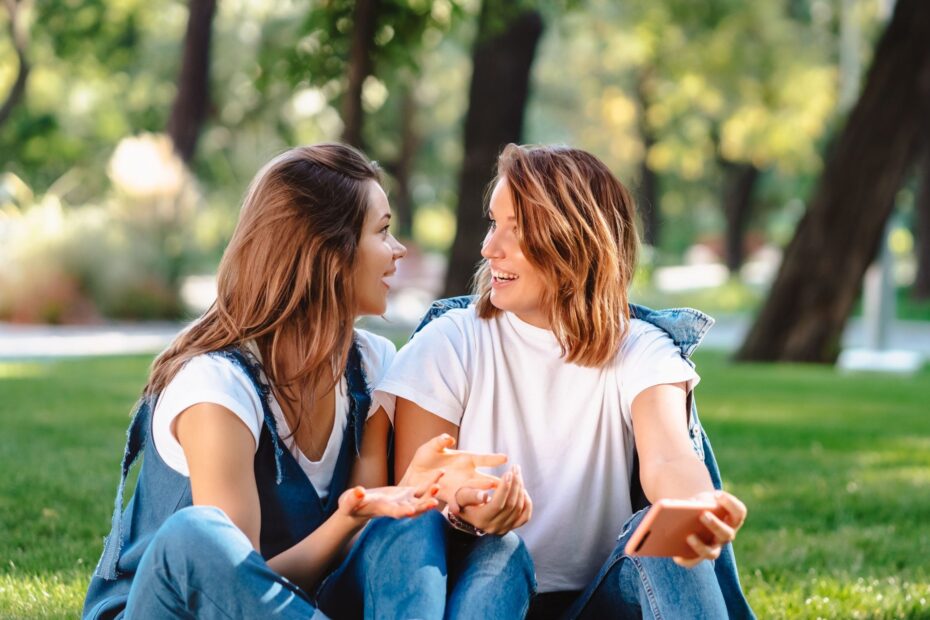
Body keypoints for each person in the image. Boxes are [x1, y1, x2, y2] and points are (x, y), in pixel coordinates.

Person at [83, 143, 534, 619]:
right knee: (195, 536)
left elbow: (378, 548)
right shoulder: (216, 388)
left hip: (304, 607)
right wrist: (346, 519)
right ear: (326, 253)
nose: (398, 250)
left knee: (481, 547)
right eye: (382, 231)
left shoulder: (371, 362)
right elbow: (237, 588)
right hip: (181, 607)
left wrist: (419, 497)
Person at [377, 144, 755, 619]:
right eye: (494, 224)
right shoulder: (450, 342)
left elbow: (668, 458)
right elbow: (417, 495)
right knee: (501, 555)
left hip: (598, 600)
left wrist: (700, 508)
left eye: (516, 229)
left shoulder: (641, 348)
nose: (489, 247)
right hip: (485, 590)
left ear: (573, 239)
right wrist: (467, 507)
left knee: (665, 543)